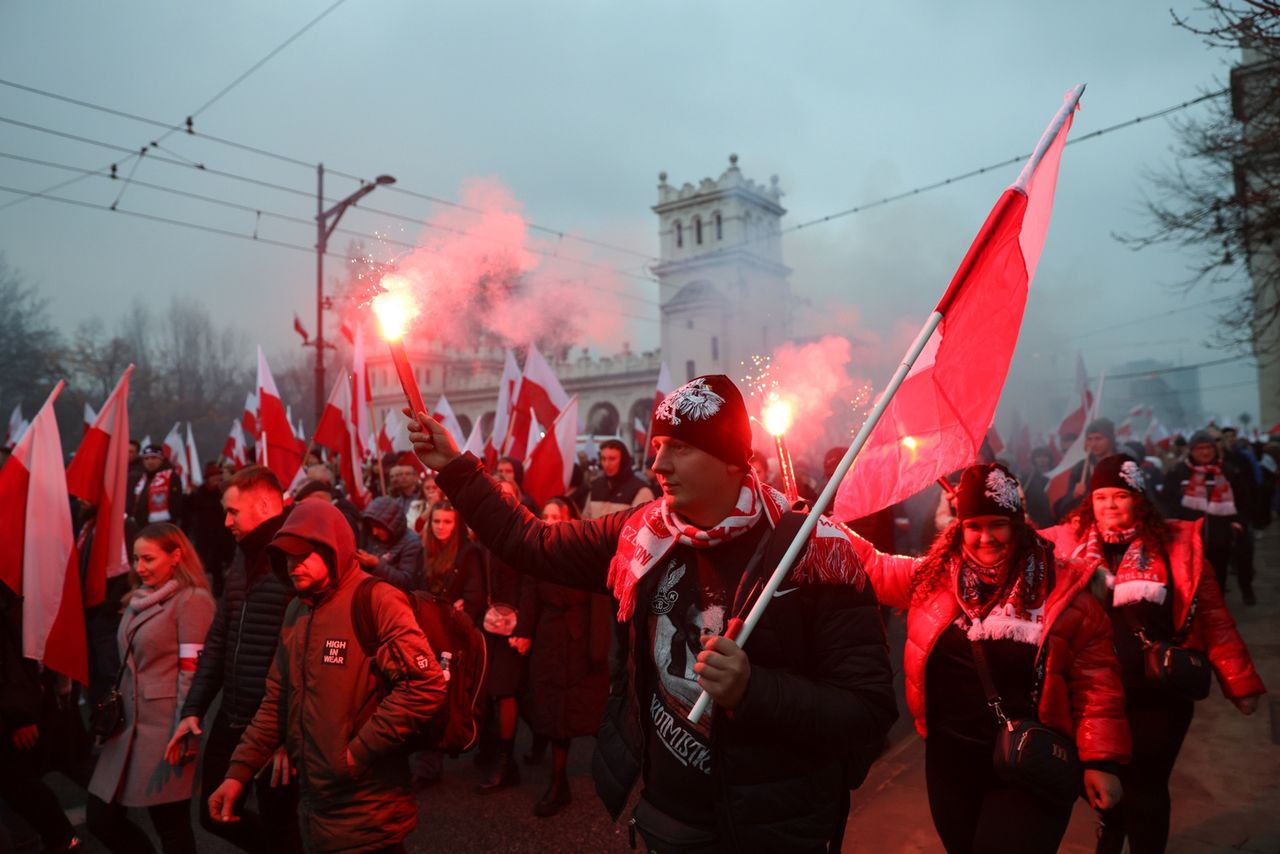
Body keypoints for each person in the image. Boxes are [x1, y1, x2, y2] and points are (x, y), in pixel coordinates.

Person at [409, 374, 897, 851]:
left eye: (680, 447)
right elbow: (530, 542)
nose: (658, 463)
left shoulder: (814, 554)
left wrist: (755, 690)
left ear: (731, 461)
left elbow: (867, 710)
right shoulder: (641, 534)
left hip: (774, 827)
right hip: (669, 820)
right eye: (659, 444)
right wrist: (455, 467)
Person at [849, 463, 1129, 854]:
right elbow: (870, 565)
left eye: (997, 523)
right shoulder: (932, 580)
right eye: (973, 526)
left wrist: (1102, 761)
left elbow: (1097, 683)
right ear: (958, 528)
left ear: (1017, 524)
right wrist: (808, 521)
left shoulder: (1062, 589)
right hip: (950, 765)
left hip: (1027, 765)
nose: (985, 538)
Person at [1040, 455, 1265, 854]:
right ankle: (1113, 824)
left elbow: (1214, 618)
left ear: (1140, 500)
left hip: (1159, 692)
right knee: (1097, 777)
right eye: (1101, 496)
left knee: (1146, 783)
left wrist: (1239, 681)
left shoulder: (1176, 546)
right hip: (1091, 695)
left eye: (1120, 496)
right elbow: (1007, 544)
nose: (1109, 505)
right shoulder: (1065, 545)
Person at [206, 500, 446, 853]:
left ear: (334, 549)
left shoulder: (376, 599)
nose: (293, 564)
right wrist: (237, 773)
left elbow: (425, 684)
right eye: (286, 556)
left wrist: (356, 754)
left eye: (302, 554)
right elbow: (277, 700)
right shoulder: (297, 609)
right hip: (318, 806)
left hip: (370, 810)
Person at [166, 465, 302, 853]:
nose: (226, 522)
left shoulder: (298, 555)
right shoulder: (243, 557)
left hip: (273, 723)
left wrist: (287, 736)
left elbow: (306, 656)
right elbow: (221, 637)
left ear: (262, 505)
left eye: (233, 512)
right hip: (233, 715)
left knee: (281, 825)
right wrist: (194, 708)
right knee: (214, 812)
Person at [86, 523, 216, 854]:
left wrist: (186, 727)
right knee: (101, 818)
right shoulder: (139, 598)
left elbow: (193, 672)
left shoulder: (193, 600)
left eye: (148, 559)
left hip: (165, 730)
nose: (140, 567)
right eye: (136, 559)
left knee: (170, 826)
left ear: (176, 556)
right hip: (128, 726)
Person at [524, 497, 610, 817]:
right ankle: (559, 783)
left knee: (588, 711)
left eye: (553, 516)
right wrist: (524, 633)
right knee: (554, 713)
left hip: (579, 641)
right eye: (543, 516)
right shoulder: (537, 551)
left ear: (569, 519)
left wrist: (598, 650)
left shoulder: (585, 551)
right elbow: (530, 594)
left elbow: (600, 602)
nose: (546, 522)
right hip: (549, 636)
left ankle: (624, 765)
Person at [469, 478, 538, 794]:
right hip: (488, 623)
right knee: (489, 690)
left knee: (507, 692)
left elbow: (529, 584)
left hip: (514, 626)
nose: (502, 500)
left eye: (508, 496)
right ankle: (492, 750)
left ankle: (506, 762)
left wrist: (523, 629)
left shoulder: (524, 533)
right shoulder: (484, 533)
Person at [0, 585, 80, 853]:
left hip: (9, 714)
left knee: (19, 784)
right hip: (12, 710)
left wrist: (20, 716)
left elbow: (11, 656)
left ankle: (61, 839)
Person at [1162, 429, 1257, 603]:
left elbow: (1244, 501)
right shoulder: (1178, 472)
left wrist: (1238, 523)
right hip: (1188, 538)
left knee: (1217, 578)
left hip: (1221, 537)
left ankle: (1216, 611)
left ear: (1215, 450)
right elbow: (1167, 501)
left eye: (1208, 448)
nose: (1204, 452)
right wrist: (1174, 523)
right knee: (1189, 580)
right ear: (1191, 450)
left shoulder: (1228, 471)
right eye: (1199, 448)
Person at [185, 462, 235, 596]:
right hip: (204, 536)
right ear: (208, 478)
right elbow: (189, 511)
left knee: (220, 568)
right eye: (214, 476)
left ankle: (220, 592)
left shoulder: (224, 492)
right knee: (207, 567)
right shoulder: (200, 492)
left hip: (222, 535)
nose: (217, 479)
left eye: (219, 476)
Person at [1053, 417, 1117, 521]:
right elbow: (1063, 507)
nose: (1093, 444)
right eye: (1090, 439)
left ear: (1110, 439)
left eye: (1098, 438)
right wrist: (1074, 495)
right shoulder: (1081, 468)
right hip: (1089, 522)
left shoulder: (1123, 464)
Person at [357, 496, 425, 593]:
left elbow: (407, 582)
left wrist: (377, 564)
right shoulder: (373, 537)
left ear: (391, 524)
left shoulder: (411, 543)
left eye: (378, 527)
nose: (374, 532)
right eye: (372, 527)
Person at [582, 439, 654, 519]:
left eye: (612, 459)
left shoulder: (641, 490)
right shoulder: (596, 486)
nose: (607, 464)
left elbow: (639, 525)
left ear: (623, 460)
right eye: (603, 459)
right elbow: (585, 519)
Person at [131, 445, 184, 528]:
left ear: (161, 459)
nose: (150, 461)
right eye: (146, 459)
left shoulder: (171, 476)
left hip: (162, 527)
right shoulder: (141, 478)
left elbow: (176, 504)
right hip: (141, 526)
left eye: (154, 458)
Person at [1023, 446, 1055, 529]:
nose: (1042, 460)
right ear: (1034, 460)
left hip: (1053, 515)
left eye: (1045, 456)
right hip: (1035, 516)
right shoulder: (1028, 478)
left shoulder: (1056, 475)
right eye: (1038, 457)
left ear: (1049, 459)